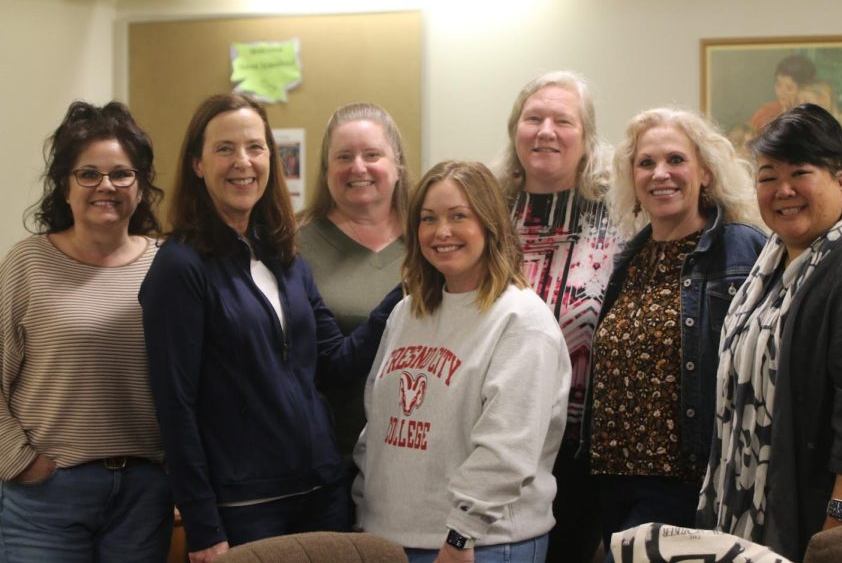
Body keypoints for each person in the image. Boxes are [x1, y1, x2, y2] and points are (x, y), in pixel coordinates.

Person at [140, 94, 401, 562]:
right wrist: (202, 526)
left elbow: (336, 363)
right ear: (197, 164)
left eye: (255, 148)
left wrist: (403, 291)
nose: (243, 162)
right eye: (224, 149)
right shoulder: (179, 267)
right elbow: (174, 407)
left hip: (323, 491)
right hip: (244, 506)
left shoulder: (283, 255)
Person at [699, 103, 842, 560]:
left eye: (800, 173)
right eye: (768, 176)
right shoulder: (770, 263)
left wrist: (838, 530)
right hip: (751, 505)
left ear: (841, 180)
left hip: (818, 522)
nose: (783, 190)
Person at [354, 160, 571, 563]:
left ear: (489, 225)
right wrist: (365, 512)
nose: (442, 232)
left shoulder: (522, 319)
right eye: (428, 219)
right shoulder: (406, 314)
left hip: (479, 545)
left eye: (459, 216)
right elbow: (377, 425)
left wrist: (460, 536)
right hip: (389, 538)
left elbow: (508, 447)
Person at [579, 108, 767, 560]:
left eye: (676, 160)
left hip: (688, 485)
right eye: (646, 163)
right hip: (612, 485)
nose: (660, 174)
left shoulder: (741, 247)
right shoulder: (630, 259)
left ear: (705, 172)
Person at [0, 101, 171, 562]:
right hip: (46, 497)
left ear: (140, 185)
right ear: (65, 184)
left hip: (144, 495)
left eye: (122, 174)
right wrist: (23, 463)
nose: (106, 187)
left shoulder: (168, 263)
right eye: (89, 174)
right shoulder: (28, 263)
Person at [494, 70, 621, 562]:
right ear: (515, 131)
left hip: (581, 447)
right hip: (495, 434)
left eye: (562, 121)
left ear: (587, 137)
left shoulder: (623, 213)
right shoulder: (487, 210)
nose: (546, 131)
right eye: (533, 119)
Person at [297, 102, 412, 465]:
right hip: (325, 456)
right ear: (326, 169)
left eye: (372, 154)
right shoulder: (293, 246)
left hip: (414, 454)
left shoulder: (434, 243)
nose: (358, 167)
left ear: (398, 165)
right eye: (344, 156)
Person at [749, 54, 816, 132]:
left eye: (789, 88)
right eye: (778, 85)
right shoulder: (765, 111)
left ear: (804, 90)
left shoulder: (809, 117)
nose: (781, 92)